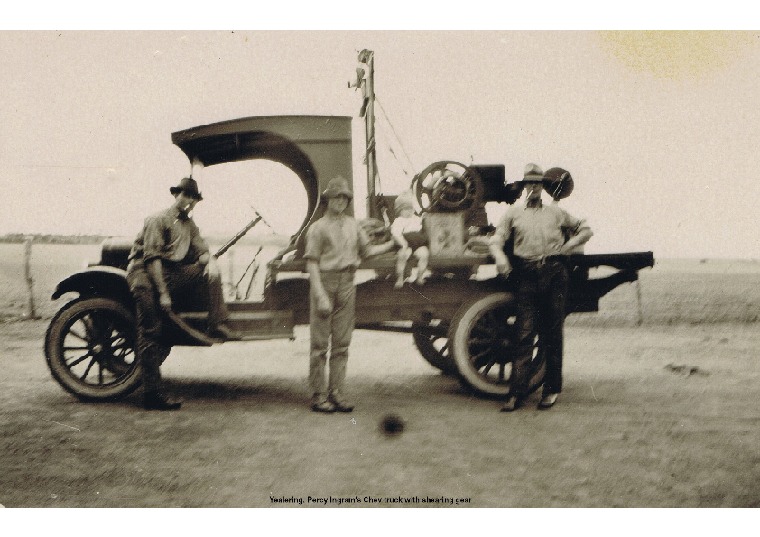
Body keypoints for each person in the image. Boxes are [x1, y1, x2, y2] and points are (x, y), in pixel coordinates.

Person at [126, 176, 240, 411]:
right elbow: (152, 259)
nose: (189, 201)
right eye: (185, 196)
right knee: (152, 329)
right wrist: (164, 294)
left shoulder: (190, 225)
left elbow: (202, 249)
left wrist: (209, 262)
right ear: (176, 195)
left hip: (170, 272)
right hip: (145, 274)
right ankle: (152, 395)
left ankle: (218, 322)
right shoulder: (157, 219)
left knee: (210, 270)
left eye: (193, 198)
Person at [489, 163, 593, 412]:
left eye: (538, 183)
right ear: (525, 186)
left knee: (552, 334)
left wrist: (567, 248)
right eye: (529, 183)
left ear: (543, 187)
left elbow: (586, 229)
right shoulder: (513, 213)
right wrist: (501, 258)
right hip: (526, 275)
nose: (534, 187)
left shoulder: (556, 213)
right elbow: (496, 240)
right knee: (524, 333)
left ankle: (551, 390)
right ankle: (516, 394)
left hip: (555, 274)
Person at [304, 176, 395, 413]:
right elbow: (312, 263)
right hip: (324, 282)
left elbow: (367, 251)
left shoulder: (354, 225)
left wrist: (392, 244)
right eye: (336, 197)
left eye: (344, 197)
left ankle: (336, 392)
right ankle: (318, 394)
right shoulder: (318, 228)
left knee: (342, 343)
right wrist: (320, 295)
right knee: (320, 344)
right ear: (328, 200)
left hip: (347, 283)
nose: (340, 201)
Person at [389, 190, 429, 288]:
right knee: (401, 257)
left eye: (410, 208)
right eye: (405, 209)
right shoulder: (399, 221)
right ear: (399, 211)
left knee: (424, 254)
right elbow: (396, 234)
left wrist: (424, 217)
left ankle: (419, 277)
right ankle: (400, 278)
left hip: (418, 244)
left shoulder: (415, 218)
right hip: (406, 244)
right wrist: (403, 244)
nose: (409, 211)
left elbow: (421, 223)